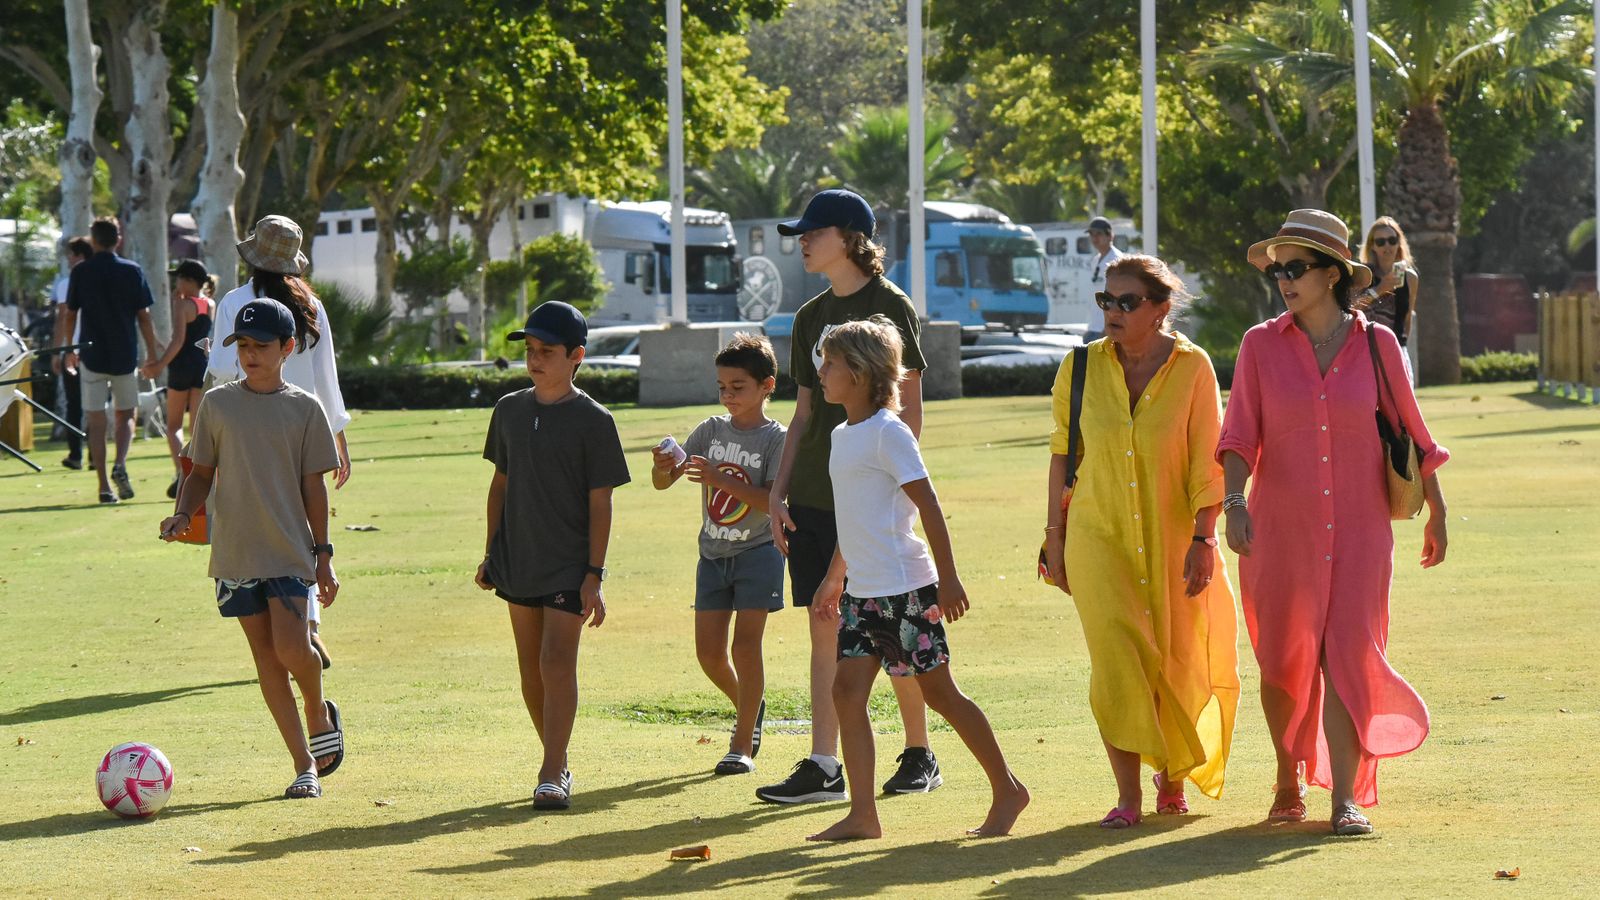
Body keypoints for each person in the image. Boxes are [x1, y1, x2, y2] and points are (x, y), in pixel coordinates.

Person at [1219, 208, 1450, 836]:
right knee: (1285, 660)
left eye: (1296, 267)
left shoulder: (1378, 344)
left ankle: (1344, 796)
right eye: (1277, 270)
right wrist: (1234, 503)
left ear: (1332, 274)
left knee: (1348, 653)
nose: (1283, 279)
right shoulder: (1259, 345)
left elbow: (1414, 429)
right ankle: (1286, 777)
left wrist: (1438, 507)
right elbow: (1237, 434)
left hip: (1362, 529)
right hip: (1279, 529)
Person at [806, 316, 1028, 840]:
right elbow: (854, 517)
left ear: (858, 373)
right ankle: (863, 816)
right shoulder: (841, 435)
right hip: (863, 593)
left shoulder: (889, 432)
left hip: (906, 589)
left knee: (941, 695)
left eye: (832, 363)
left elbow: (928, 504)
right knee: (846, 692)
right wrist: (834, 578)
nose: (822, 371)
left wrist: (948, 581)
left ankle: (1008, 790)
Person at [1042, 255, 1240, 829]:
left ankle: (1172, 778)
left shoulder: (1193, 367)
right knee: (1116, 662)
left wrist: (1206, 538)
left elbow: (1211, 460)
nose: (1114, 311)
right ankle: (1128, 795)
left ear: (1160, 309)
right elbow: (1062, 455)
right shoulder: (1078, 368)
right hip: (1095, 534)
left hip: (1175, 535)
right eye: (1107, 300)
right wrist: (1053, 539)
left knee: (1176, 656)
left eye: (1128, 302)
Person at [761, 189, 942, 806]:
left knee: (892, 630)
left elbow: (908, 406)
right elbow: (804, 412)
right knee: (825, 620)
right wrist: (778, 490)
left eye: (813, 232)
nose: (803, 242)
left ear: (849, 235)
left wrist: (889, 486)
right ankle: (824, 763)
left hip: (869, 496)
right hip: (815, 491)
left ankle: (919, 751)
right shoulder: (810, 315)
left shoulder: (889, 305)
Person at [159, 297, 344, 800]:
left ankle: (317, 706)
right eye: (241, 345)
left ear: (287, 348)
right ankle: (303, 764)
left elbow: (315, 488)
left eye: (260, 346)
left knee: (291, 648)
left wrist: (323, 555)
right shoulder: (217, 405)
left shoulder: (306, 409)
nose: (249, 355)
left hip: (289, 551)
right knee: (266, 660)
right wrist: (183, 514)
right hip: (236, 554)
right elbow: (199, 474)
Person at [474, 301, 630, 810]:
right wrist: (490, 551)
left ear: (576, 356)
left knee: (556, 661)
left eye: (547, 351)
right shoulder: (509, 410)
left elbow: (601, 502)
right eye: (531, 351)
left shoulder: (594, 420)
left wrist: (594, 574)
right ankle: (557, 760)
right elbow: (500, 485)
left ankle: (549, 769)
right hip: (518, 557)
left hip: (569, 562)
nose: (535, 360)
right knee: (530, 668)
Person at [207, 215, 351, 668]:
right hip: (307, 429)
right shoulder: (311, 304)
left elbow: (223, 370)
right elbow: (327, 376)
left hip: (249, 433)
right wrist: (339, 435)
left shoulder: (235, 301)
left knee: (260, 526)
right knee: (302, 525)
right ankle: (306, 624)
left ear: (251, 257)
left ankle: (291, 629)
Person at [651, 334, 786, 776]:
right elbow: (663, 483)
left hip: (759, 553)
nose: (728, 395)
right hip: (712, 556)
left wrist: (718, 478)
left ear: (767, 386)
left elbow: (771, 502)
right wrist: (663, 465)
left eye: (738, 386)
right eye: (722, 386)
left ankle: (742, 741)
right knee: (710, 655)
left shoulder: (776, 439)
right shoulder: (710, 430)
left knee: (745, 647)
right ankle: (751, 705)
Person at [60, 217, 160, 504]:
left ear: (93, 240)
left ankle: (104, 486)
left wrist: (69, 349)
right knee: (126, 414)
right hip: (124, 354)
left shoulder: (81, 271)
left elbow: (70, 313)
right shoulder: (132, 270)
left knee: (95, 420)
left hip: (91, 354)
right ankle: (120, 464)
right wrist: (152, 354)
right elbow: (144, 316)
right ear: (118, 239)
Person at [141, 259, 215, 498]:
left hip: (181, 366)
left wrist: (159, 366)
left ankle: (180, 473)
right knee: (195, 428)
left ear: (189, 281)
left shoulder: (182, 305)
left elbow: (178, 340)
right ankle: (197, 474)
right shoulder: (209, 303)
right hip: (201, 365)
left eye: (180, 279)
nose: (177, 283)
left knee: (173, 426)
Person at [49, 236, 92, 470]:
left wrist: (60, 351)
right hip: (95, 350)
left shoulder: (68, 282)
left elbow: (64, 316)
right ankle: (97, 455)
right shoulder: (99, 279)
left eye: (70, 254)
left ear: (79, 256)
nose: (68, 259)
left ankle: (76, 453)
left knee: (74, 405)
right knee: (96, 406)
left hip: (73, 351)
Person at [1355, 216, 1419, 345]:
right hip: (1367, 347)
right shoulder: (1364, 274)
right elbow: (1353, 308)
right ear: (1372, 246)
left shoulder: (1410, 278)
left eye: (1392, 240)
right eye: (1380, 242)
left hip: (1396, 347)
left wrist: (1403, 344)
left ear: (1399, 243)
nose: (1387, 245)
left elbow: (1408, 317)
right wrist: (1379, 289)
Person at [1083, 217, 1124, 342]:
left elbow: (1119, 297)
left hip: (1106, 330)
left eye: (1099, 234)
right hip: (1093, 327)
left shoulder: (1117, 260)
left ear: (1110, 236)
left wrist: (1108, 329)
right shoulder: (1096, 260)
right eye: (1092, 234)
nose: (1095, 238)